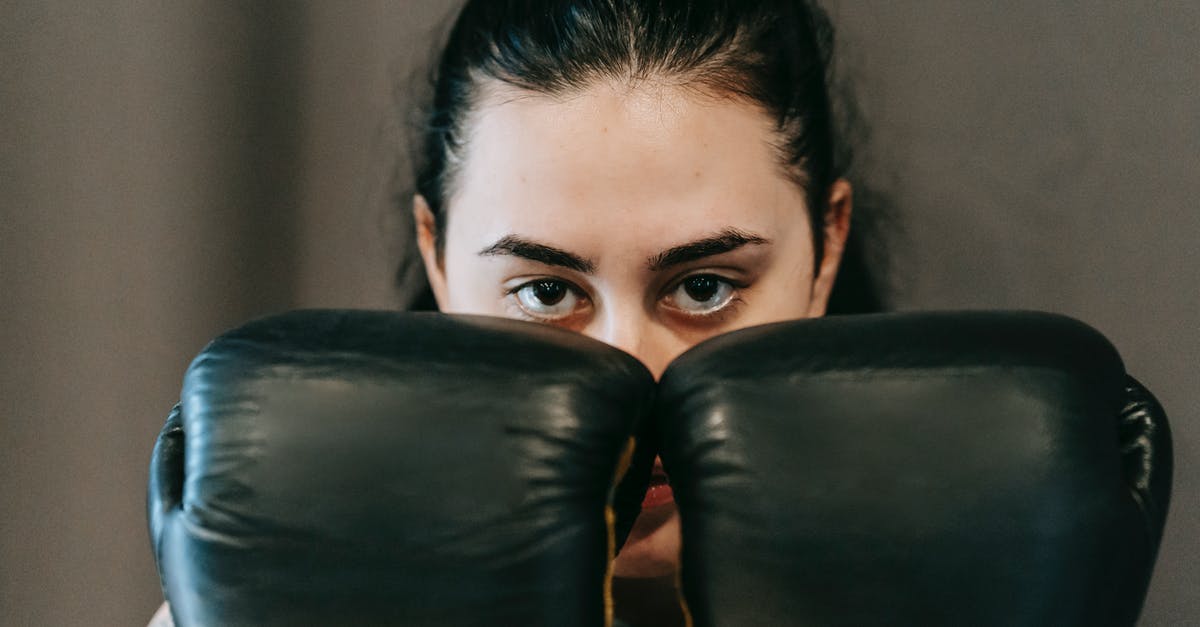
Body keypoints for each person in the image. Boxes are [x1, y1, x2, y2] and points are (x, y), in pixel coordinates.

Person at [149, 0, 887, 624]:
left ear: (826, 250)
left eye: (703, 288)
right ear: (437, 260)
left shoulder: (981, 567)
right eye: (546, 292)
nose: (629, 372)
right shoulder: (294, 575)